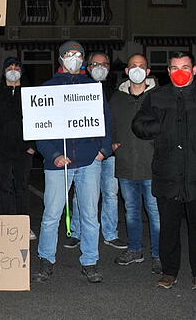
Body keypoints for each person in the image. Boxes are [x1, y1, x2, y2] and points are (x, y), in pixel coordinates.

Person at [133, 51, 196, 291]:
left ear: (194, 70)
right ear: (168, 71)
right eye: (175, 68)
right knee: (168, 227)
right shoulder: (156, 97)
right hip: (168, 173)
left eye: (185, 67)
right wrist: (161, 125)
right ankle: (169, 272)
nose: (180, 72)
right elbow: (139, 124)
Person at [33, 41, 113, 284]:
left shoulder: (93, 88)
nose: (74, 58)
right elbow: (40, 129)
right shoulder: (47, 88)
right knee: (51, 214)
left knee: (90, 215)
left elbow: (105, 121)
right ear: (60, 58)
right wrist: (53, 154)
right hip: (58, 164)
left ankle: (90, 261)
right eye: (69, 54)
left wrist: (103, 150)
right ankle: (46, 260)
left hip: (89, 161)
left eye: (78, 55)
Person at [66, 51, 126, 250]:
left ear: (109, 67)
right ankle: (77, 232)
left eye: (104, 64)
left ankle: (110, 233)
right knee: (80, 195)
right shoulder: (79, 87)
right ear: (88, 67)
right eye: (95, 64)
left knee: (110, 193)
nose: (100, 67)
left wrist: (111, 145)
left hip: (109, 152)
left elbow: (118, 121)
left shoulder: (118, 91)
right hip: (86, 152)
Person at [109, 54, 161, 274]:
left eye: (141, 66)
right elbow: (106, 124)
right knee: (131, 212)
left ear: (148, 71)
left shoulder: (159, 97)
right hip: (126, 166)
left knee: (156, 213)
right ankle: (135, 249)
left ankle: (158, 254)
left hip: (153, 166)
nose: (137, 69)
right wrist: (110, 143)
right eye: (133, 66)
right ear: (127, 71)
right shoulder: (117, 99)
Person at [0, 57, 36, 240]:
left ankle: (24, 226)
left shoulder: (30, 94)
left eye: (16, 67)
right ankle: (5, 226)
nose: (13, 70)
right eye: (9, 67)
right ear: (3, 71)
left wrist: (33, 146)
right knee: (3, 188)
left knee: (22, 188)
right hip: (0, 150)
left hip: (24, 150)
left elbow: (38, 119)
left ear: (21, 71)